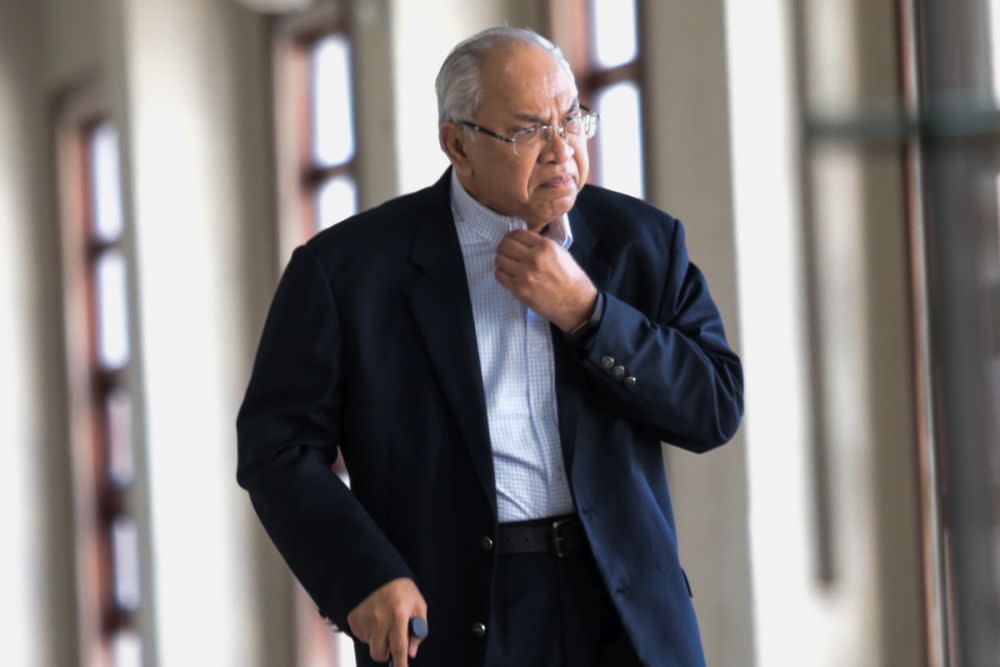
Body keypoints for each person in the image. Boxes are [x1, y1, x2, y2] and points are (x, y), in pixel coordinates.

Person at [236, 26, 743, 667]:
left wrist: (589, 316)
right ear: (458, 144)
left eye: (572, 121)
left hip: (624, 610)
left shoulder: (642, 242)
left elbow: (714, 407)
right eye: (530, 131)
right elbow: (276, 449)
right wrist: (360, 574)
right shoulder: (346, 272)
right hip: (452, 613)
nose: (562, 151)